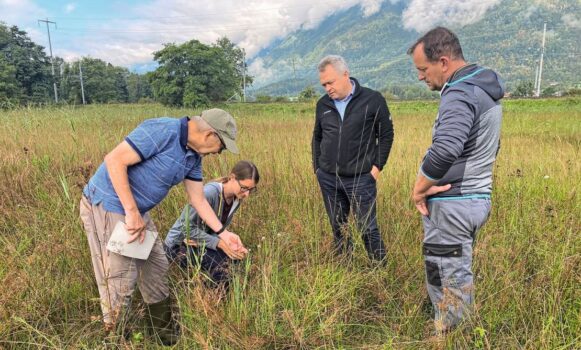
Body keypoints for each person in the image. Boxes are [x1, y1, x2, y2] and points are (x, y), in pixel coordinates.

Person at [79, 108, 247, 345]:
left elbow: (197, 199)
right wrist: (132, 212)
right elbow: (114, 160)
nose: (219, 153)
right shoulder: (162, 130)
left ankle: (163, 334)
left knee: (157, 265)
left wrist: (224, 233)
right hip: (109, 204)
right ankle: (117, 340)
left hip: (136, 211)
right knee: (121, 278)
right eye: (221, 146)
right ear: (210, 135)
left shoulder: (193, 156)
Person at [407, 27, 504, 334]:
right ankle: (453, 327)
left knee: (446, 276)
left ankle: (449, 335)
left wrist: (419, 189)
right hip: (475, 198)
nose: (421, 77)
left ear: (444, 62)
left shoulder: (460, 92)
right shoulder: (484, 89)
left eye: (423, 69)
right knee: (456, 272)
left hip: (453, 205)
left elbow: (446, 148)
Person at [312, 55, 394, 263]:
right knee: (338, 227)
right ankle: (345, 267)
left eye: (330, 82)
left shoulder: (372, 100)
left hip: (360, 178)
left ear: (345, 74)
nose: (327, 88)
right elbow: (317, 136)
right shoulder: (323, 104)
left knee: (367, 228)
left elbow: (385, 135)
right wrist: (317, 168)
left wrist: (376, 168)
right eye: (324, 85)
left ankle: (379, 268)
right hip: (329, 178)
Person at [165, 160, 259, 291]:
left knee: (235, 259)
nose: (247, 194)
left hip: (198, 242)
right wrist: (219, 243)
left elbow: (214, 229)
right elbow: (184, 228)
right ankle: (207, 300)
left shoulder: (237, 198)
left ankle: (208, 294)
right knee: (224, 268)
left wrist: (231, 244)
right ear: (232, 178)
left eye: (251, 190)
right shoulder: (210, 193)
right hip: (177, 246)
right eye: (244, 188)